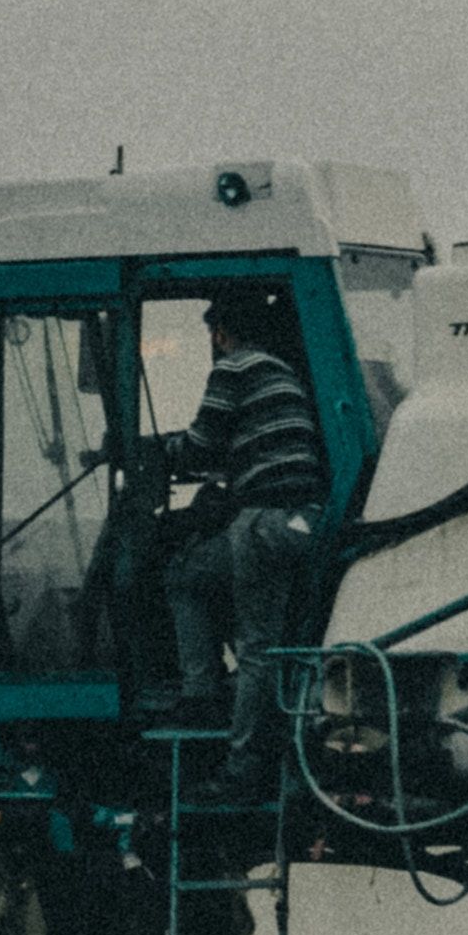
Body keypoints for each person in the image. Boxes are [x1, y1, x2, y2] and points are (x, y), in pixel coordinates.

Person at [157, 291, 331, 719]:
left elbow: (200, 446)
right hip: (303, 520)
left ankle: (204, 701)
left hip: (263, 523)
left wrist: (161, 450)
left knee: (185, 577)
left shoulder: (233, 368)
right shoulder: (284, 373)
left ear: (220, 334)